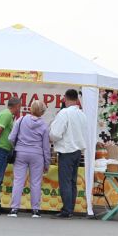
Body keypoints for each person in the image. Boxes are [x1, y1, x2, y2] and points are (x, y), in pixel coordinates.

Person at [48, 88, 91, 218]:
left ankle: (67, 210)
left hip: (66, 151)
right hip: (78, 151)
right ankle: (70, 208)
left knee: (65, 181)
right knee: (72, 181)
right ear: (77, 99)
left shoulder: (64, 113)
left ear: (65, 98)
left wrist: (50, 137)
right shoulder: (82, 114)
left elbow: (55, 133)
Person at [8, 100, 52, 217]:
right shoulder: (44, 126)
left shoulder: (21, 120)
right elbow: (46, 147)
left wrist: (17, 146)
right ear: (42, 112)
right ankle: (35, 210)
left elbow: (11, 138)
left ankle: (14, 209)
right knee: (36, 183)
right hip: (37, 156)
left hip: (21, 153)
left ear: (31, 109)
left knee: (18, 181)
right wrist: (47, 163)